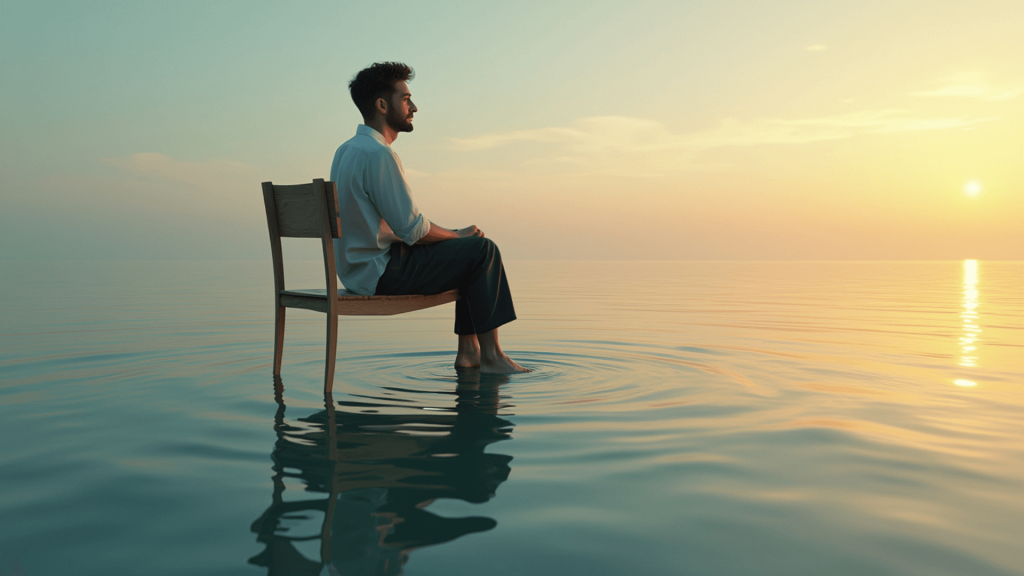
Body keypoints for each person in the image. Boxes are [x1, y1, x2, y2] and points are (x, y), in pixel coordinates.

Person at [330, 62, 527, 374]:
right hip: (381, 274)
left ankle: (469, 353)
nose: (414, 107)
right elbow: (413, 230)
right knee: (481, 250)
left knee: (465, 254)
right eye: (406, 99)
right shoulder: (379, 155)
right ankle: (492, 357)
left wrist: (451, 238)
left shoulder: (346, 151)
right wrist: (457, 235)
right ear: (383, 105)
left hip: (355, 271)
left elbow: (374, 227)